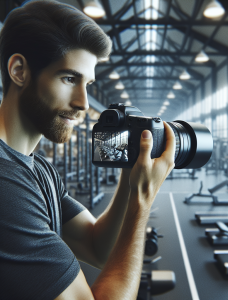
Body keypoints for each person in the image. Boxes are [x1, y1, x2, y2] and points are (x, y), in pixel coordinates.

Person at [0, 1, 175, 300]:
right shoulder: (5, 184)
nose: (83, 102)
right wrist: (142, 202)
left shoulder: (39, 169)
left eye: (88, 83)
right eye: (69, 79)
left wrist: (130, 179)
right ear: (19, 71)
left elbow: (98, 248)